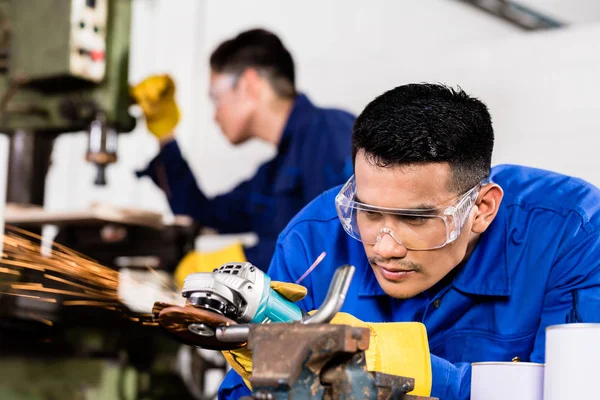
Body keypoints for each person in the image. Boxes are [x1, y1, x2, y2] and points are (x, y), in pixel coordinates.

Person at [217, 83, 600, 399]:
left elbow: (572, 392)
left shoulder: (570, 232)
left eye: (415, 219)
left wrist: (419, 371)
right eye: (368, 212)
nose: (384, 248)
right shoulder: (311, 240)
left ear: (482, 208)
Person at [132, 28, 355, 270]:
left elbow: (338, 241)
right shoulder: (271, 176)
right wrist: (166, 135)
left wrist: (243, 261)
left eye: (216, 98)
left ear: (249, 85)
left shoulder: (331, 133)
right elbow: (200, 213)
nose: (215, 115)